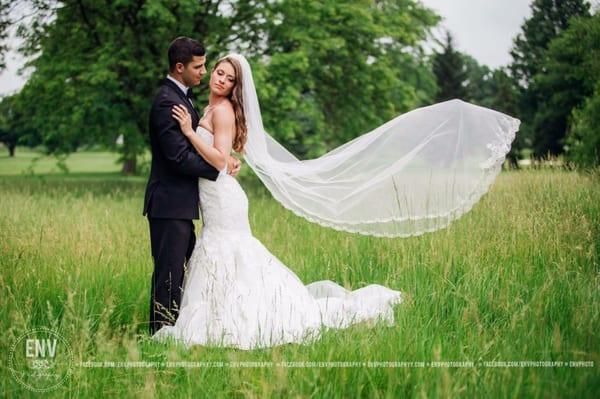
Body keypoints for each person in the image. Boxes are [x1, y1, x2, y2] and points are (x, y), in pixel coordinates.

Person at [153, 53, 519, 350]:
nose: (219, 79)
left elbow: (217, 160)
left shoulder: (223, 111)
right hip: (215, 195)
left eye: (227, 78)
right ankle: (222, 314)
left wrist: (188, 131)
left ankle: (246, 316)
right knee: (222, 253)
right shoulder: (209, 107)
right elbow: (221, 155)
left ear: (235, 87)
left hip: (222, 196)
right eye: (217, 72)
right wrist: (219, 150)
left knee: (230, 251)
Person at [143, 37, 241, 335]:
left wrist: (224, 158)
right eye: (199, 67)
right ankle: (160, 333)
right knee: (169, 275)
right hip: (169, 203)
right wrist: (219, 167)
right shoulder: (166, 101)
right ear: (180, 67)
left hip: (182, 204)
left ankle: (176, 328)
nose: (204, 71)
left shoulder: (184, 98)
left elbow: (199, 146)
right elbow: (178, 158)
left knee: (181, 271)